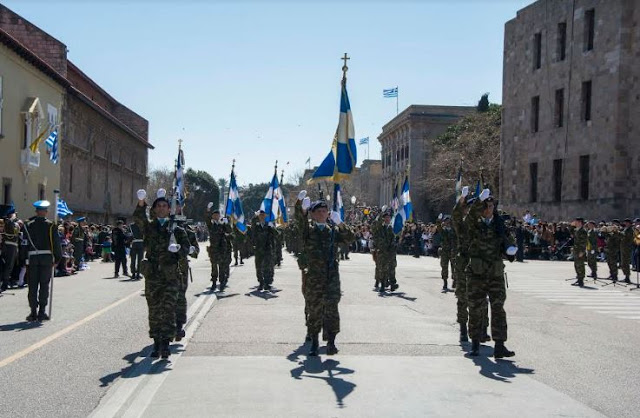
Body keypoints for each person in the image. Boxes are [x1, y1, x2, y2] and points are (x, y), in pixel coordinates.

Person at [295, 190, 354, 356]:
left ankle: (331, 342)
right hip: (314, 277)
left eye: (324, 211)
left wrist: (341, 223)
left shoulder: (333, 231)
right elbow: (300, 223)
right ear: (313, 214)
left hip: (331, 277)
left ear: (328, 214)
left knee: (332, 310)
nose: (322, 214)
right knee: (314, 309)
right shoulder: (309, 231)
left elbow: (350, 238)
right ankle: (314, 341)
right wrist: (301, 206)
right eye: (319, 211)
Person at [133, 189, 190, 359]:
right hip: (153, 275)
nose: (162, 208)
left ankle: (165, 343)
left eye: (165, 206)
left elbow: (186, 248)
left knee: (169, 310)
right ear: (155, 209)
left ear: (169, 209)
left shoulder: (177, 229)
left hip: (170, 275)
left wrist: (178, 249)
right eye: (159, 206)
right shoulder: (150, 227)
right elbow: (138, 219)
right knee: (154, 310)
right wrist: (141, 202)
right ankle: (156, 342)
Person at [464, 188, 517, 358]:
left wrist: (511, 249)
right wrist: (478, 202)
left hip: (495, 272)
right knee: (476, 308)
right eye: (486, 206)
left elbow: (508, 241)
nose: (489, 209)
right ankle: (475, 344)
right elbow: (469, 218)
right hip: (477, 273)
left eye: (491, 206)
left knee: (498, 308)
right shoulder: (474, 224)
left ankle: (500, 345)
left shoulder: (499, 225)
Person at [24, 200, 62, 322]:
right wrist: (57, 258)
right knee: (44, 285)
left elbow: (24, 244)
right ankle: (41, 313)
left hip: (32, 258)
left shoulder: (28, 225)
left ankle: (33, 313)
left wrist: (23, 259)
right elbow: (56, 243)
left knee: (32, 286)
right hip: (46, 258)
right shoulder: (51, 226)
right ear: (46, 212)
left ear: (36, 211)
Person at [176, 218, 199, 341]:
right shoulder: (163, 228)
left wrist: (191, 250)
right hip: (163, 270)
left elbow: (196, 250)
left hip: (181, 270)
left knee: (180, 298)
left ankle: (178, 327)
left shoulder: (188, 232)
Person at [205, 204, 232, 291]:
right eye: (214, 215)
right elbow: (207, 219)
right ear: (213, 216)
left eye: (217, 215)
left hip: (221, 249)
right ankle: (213, 282)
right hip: (213, 249)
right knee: (214, 267)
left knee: (222, 266)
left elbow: (229, 231)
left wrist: (227, 223)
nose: (216, 216)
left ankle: (222, 282)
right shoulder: (211, 225)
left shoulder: (222, 225)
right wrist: (208, 210)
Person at [371, 207, 398, 293]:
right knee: (381, 268)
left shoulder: (390, 229)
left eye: (389, 218)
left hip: (389, 252)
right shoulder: (380, 228)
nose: (387, 219)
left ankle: (391, 283)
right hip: (381, 251)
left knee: (390, 267)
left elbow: (393, 239)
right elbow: (375, 225)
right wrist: (380, 214)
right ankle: (381, 283)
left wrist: (393, 246)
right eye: (385, 218)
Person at [249, 210, 277, 291]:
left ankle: (267, 283)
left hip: (267, 249)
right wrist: (255, 217)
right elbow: (252, 231)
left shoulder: (268, 226)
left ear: (265, 216)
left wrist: (273, 227)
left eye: (263, 215)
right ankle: (261, 282)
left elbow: (277, 235)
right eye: (260, 215)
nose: (262, 217)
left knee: (267, 267)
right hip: (258, 249)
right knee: (258, 267)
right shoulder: (256, 226)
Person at [0, 204, 19, 292]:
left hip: (12, 246)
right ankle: (4, 283)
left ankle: (5, 281)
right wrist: (13, 217)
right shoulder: (8, 222)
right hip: (9, 246)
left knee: (9, 266)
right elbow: (11, 228)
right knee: (8, 266)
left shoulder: (14, 223)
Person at [437, 214, 456, 291]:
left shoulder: (454, 230)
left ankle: (455, 280)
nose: (447, 222)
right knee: (444, 267)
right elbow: (438, 227)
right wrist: (439, 220)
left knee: (454, 267)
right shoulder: (443, 230)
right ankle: (445, 282)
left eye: (449, 221)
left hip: (453, 251)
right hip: (444, 251)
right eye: (446, 221)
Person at [571, 217, 587, 287]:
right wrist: (571, 226)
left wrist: (582, 251)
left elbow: (584, 242)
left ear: (580, 222)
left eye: (576, 222)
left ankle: (581, 280)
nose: (575, 223)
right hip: (576, 250)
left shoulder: (583, 231)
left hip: (580, 250)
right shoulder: (576, 230)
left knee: (580, 265)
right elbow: (571, 235)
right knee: (576, 265)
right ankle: (578, 278)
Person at [620, 218, 634, 284]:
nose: (625, 223)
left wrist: (619, 234)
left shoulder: (630, 230)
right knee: (623, 263)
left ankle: (627, 277)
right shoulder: (625, 229)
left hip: (627, 248)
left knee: (626, 263)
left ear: (629, 223)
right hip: (623, 247)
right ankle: (626, 276)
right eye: (625, 222)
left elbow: (626, 237)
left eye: (626, 222)